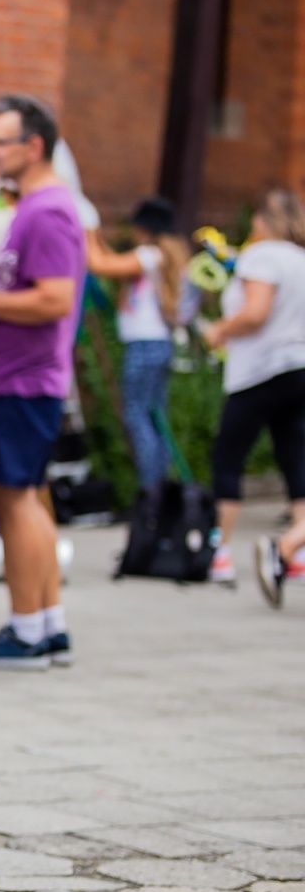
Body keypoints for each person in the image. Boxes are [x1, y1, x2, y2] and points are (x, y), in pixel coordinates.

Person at [0, 94, 84, 671]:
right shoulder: (33, 206)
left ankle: (26, 631)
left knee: (16, 499)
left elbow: (56, 299)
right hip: (15, 380)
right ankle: (47, 624)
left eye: (0, 141)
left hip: (21, 382)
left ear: (33, 146)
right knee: (26, 498)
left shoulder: (49, 209)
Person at [198, 190, 305, 608]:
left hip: (259, 370)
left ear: (262, 221)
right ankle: (296, 552)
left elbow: (256, 312)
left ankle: (218, 551)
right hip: (299, 367)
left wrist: (220, 330)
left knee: (229, 455)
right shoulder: (300, 258)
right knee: (295, 458)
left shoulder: (261, 257)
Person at [86, 196, 189, 494]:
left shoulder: (149, 255)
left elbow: (101, 264)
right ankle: (159, 488)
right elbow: (108, 258)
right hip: (159, 343)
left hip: (144, 344)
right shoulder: (163, 256)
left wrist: (87, 229)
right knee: (155, 416)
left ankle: (151, 491)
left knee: (137, 416)